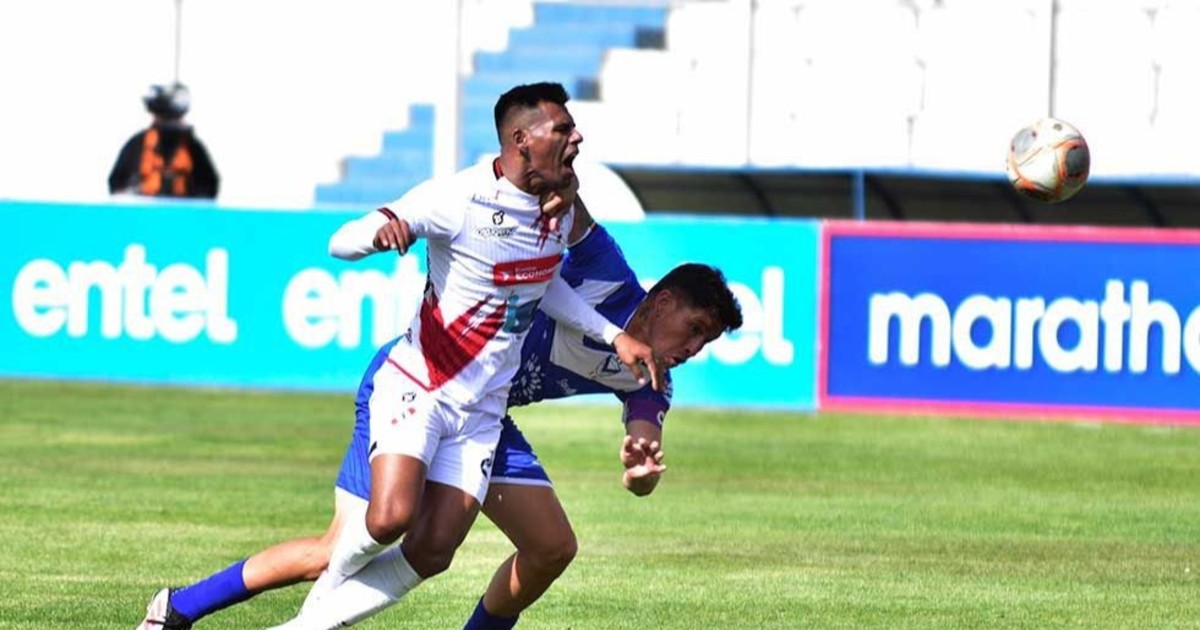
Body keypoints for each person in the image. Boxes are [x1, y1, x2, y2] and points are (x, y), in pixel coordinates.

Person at [135, 81, 662, 630]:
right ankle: (192, 611)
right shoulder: (456, 199)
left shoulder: (556, 208)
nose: (576, 135)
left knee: (433, 551)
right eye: (563, 128)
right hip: (421, 384)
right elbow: (340, 241)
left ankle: (253, 621)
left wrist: (613, 335)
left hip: (481, 412)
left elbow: (542, 283)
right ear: (521, 139)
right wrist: (378, 233)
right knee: (387, 519)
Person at [108, 83, 220, 199]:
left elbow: (209, 188)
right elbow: (117, 186)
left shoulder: (193, 147)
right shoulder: (138, 144)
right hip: (145, 214)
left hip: (183, 214)